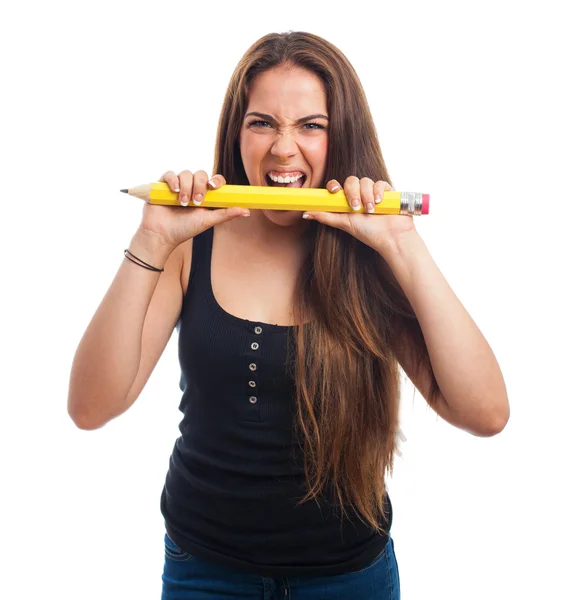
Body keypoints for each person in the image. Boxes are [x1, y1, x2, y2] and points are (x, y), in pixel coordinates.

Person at [68, 30, 510, 599]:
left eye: (310, 126)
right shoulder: (189, 241)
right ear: (237, 131)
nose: (282, 149)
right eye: (262, 123)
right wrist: (151, 241)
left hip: (349, 576)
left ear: (341, 135)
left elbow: (486, 412)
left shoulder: (374, 253)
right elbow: (90, 407)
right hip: (204, 570)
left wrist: (402, 246)